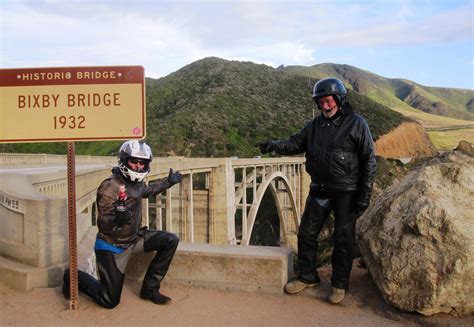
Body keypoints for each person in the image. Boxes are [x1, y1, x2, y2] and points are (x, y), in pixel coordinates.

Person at [257, 77, 377, 304]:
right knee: (306, 234)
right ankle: (308, 277)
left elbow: (369, 160)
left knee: (342, 239)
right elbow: (294, 143)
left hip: (346, 191)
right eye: (321, 102)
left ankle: (339, 285)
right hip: (319, 189)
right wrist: (273, 144)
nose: (325, 105)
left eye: (329, 101)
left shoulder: (356, 123)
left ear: (339, 100)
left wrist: (364, 195)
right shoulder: (313, 127)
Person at [63, 140, 183, 308]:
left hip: (134, 238)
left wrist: (169, 182)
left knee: (171, 240)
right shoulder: (110, 186)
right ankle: (72, 276)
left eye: (143, 163)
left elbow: (148, 190)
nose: (139, 166)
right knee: (109, 301)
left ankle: (150, 289)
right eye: (134, 161)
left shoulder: (136, 183)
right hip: (112, 246)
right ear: (124, 160)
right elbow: (104, 224)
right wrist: (117, 219)